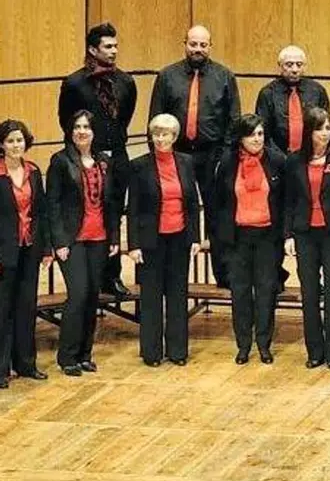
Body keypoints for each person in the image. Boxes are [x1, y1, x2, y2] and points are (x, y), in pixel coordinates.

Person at [148, 24, 242, 289]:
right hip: (176, 154)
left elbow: (234, 119)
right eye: (193, 44)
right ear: (185, 44)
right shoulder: (167, 76)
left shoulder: (225, 76)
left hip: (212, 154)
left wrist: (226, 156)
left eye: (203, 45)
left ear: (210, 46)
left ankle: (224, 275)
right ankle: (172, 276)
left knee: (218, 214)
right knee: (177, 211)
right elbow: (155, 117)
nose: (197, 49)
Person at [57, 22, 136, 297]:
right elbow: (66, 121)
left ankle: (112, 276)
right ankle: (89, 276)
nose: (114, 51)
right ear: (93, 50)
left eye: (115, 46)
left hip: (117, 157)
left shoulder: (126, 81)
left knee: (114, 214)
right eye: (108, 46)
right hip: (88, 157)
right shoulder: (75, 83)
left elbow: (125, 117)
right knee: (90, 211)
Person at [45, 110, 120, 376]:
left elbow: (112, 203)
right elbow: (52, 205)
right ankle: (67, 357)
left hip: (99, 238)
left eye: (86, 126)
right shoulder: (60, 161)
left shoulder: (104, 161)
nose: (82, 131)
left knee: (91, 297)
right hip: (72, 240)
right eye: (77, 126)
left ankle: (85, 355)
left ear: (94, 131)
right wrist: (59, 242)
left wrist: (114, 237)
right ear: (70, 130)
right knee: (78, 295)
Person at [283, 107, 330, 369]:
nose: (324, 133)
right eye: (319, 129)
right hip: (305, 233)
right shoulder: (294, 161)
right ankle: (314, 350)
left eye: (327, 128)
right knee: (310, 293)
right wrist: (288, 235)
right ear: (308, 132)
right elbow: (289, 201)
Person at [127, 114, 202, 367]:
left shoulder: (186, 162)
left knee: (177, 295)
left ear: (174, 136)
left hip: (180, 238)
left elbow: (192, 204)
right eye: (156, 134)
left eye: (165, 134)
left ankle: (178, 351)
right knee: (151, 296)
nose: (160, 139)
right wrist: (133, 244)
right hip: (151, 240)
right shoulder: (139, 165)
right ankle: (151, 352)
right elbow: (133, 208)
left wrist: (195, 237)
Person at [212, 114, 285, 365]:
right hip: (237, 239)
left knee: (266, 292)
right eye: (251, 134)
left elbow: (285, 201)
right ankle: (243, 345)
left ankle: (264, 344)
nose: (257, 139)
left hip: (268, 238)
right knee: (240, 293)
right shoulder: (227, 162)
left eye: (260, 134)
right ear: (241, 138)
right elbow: (218, 202)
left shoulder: (277, 160)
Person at [0, 120, 50, 386]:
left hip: (30, 248)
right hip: (4, 251)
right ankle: (1, 370)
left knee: (26, 306)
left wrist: (46, 248)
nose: (15, 145)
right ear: (2, 145)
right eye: (10, 141)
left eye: (19, 140)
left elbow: (41, 212)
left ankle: (26, 364)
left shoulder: (33, 171)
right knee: (2, 309)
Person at [255, 45, 330, 154]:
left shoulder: (317, 91)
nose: (295, 70)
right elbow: (263, 131)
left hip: (311, 155)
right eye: (289, 65)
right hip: (277, 156)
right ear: (280, 66)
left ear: (304, 67)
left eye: (299, 64)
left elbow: (326, 127)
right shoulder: (267, 93)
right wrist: (278, 157)